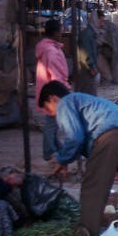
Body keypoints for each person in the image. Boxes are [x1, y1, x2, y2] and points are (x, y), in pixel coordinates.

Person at [38, 80, 118, 236]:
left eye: (48, 109)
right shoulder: (81, 100)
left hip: (109, 136)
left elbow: (75, 138)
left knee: (93, 188)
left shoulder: (65, 103)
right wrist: (66, 160)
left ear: (54, 98)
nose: (52, 115)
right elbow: (79, 140)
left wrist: (62, 159)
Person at [35, 19, 70, 161]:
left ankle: (55, 148)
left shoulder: (48, 48)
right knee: (52, 124)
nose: (62, 34)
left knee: (53, 124)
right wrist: (63, 92)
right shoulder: (51, 51)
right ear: (56, 33)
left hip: (48, 90)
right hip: (53, 93)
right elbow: (56, 76)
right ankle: (50, 151)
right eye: (61, 31)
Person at [74, 11, 104, 95]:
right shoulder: (86, 34)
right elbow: (86, 53)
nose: (102, 24)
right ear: (95, 20)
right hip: (85, 70)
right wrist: (92, 68)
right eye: (101, 21)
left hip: (87, 69)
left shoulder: (93, 34)